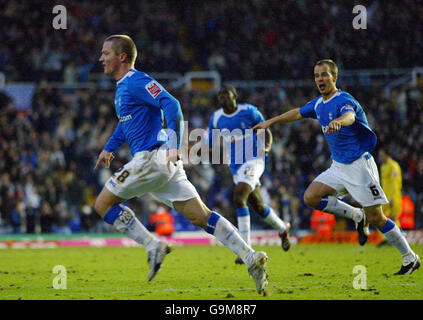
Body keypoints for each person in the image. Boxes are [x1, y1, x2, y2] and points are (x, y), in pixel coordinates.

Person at [94, 34, 268, 294]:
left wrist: (175, 143)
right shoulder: (123, 89)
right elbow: (125, 122)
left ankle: (153, 246)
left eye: (105, 53)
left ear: (122, 57)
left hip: (152, 158)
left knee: (102, 204)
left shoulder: (136, 81)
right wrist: (109, 147)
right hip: (163, 163)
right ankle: (250, 256)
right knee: (201, 216)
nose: (101, 58)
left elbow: (172, 104)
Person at [254, 59, 420, 275]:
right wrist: (270, 122)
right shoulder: (318, 104)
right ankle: (356, 216)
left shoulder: (344, 99)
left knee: (377, 218)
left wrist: (339, 122)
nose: (320, 79)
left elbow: (350, 115)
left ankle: (410, 257)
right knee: (310, 197)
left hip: (360, 166)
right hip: (338, 166)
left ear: (334, 77)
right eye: (316, 76)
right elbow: (296, 113)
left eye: (324, 75)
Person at [207, 85, 291, 264]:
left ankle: (245, 249)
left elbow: (265, 130)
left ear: (235, 96)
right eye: (220, 95)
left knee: (239, 197)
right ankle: (283, 228)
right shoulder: (216, 118)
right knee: (258, 206)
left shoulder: (249, 111)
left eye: (226, 94)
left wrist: (266, 149)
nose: (222, 97)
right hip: (236, 167)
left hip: (254, 160)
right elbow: (210, 144)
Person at [378, 148, 403, 246]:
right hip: (384, 196)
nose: (380, 157)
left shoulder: (393, 166)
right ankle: (385, 238)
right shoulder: (383, 166)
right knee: (380, 217)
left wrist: (393, 197)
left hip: (394, 195)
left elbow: (395, 183)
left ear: (387, 155)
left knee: (394, 217)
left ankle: (399, 239)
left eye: (382, 155)